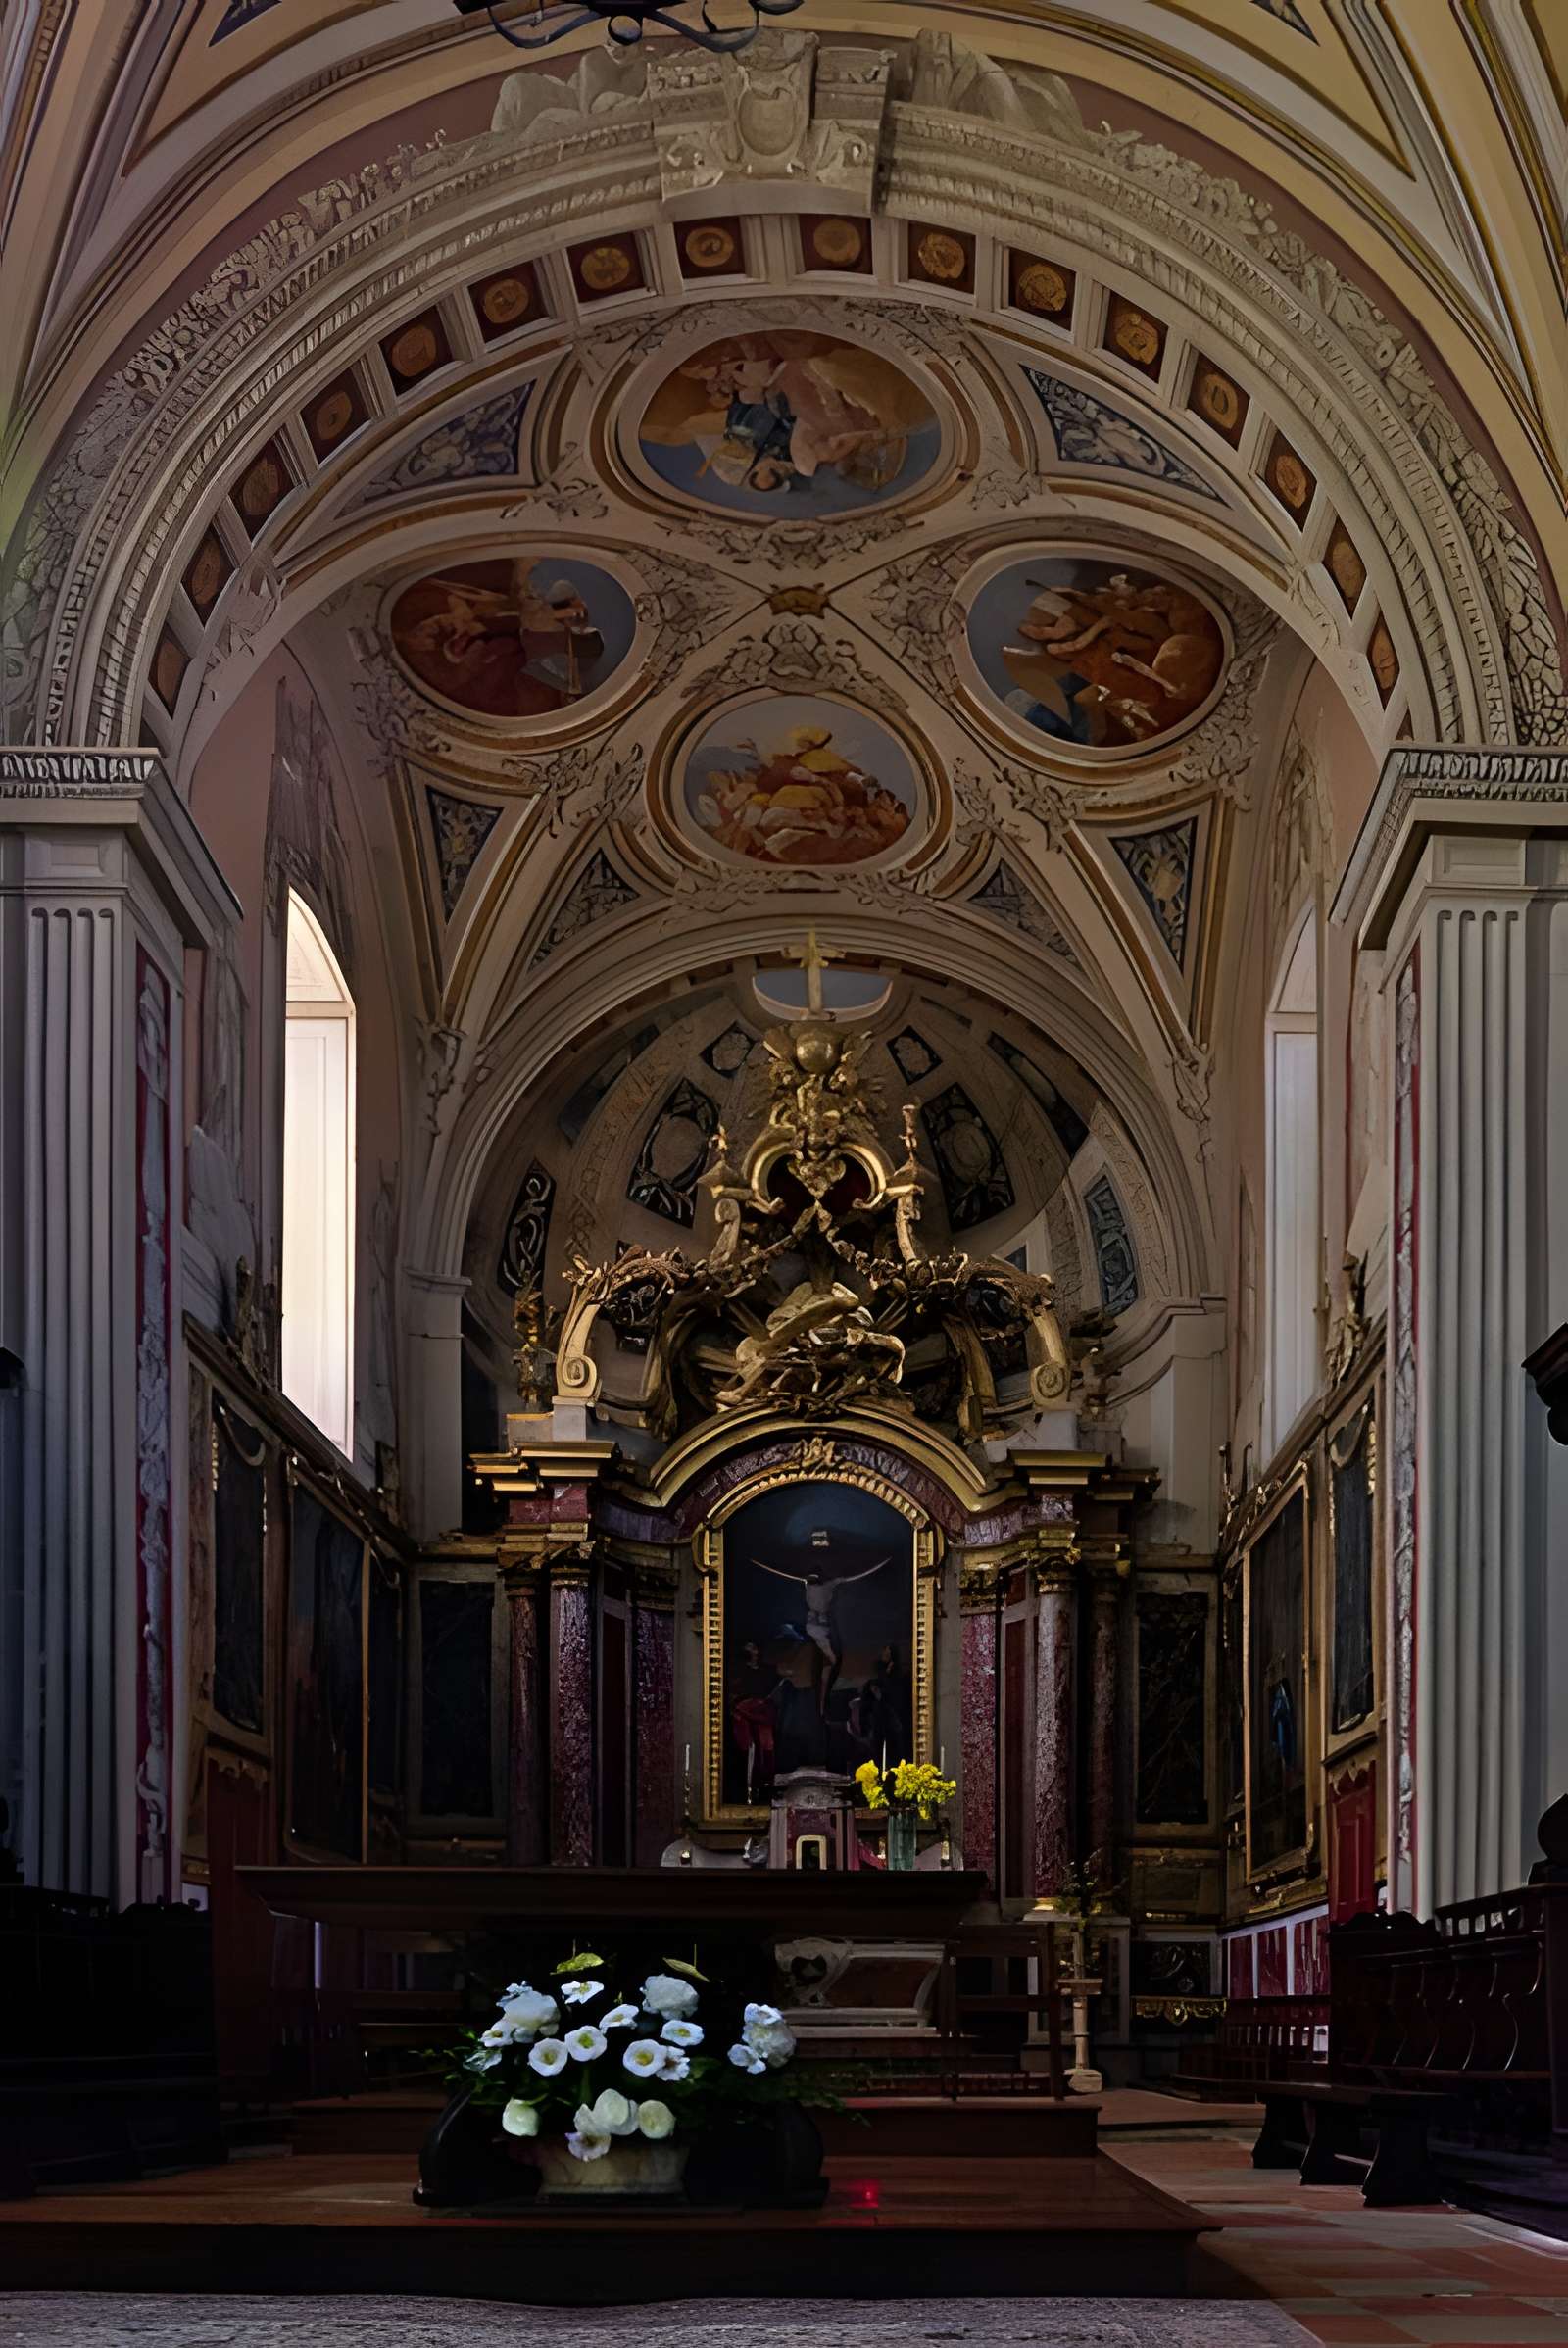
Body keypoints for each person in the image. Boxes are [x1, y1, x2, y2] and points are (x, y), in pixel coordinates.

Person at [751, 1551, 890, 1715]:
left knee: (830, 1658)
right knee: (831, 1659)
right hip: (818, 1627)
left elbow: (849, 1577)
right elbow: (847, 1577)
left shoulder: (812, 1584)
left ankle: (824, 1697)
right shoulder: (821, 1584)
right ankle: (824, 1697)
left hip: (816, 1626)